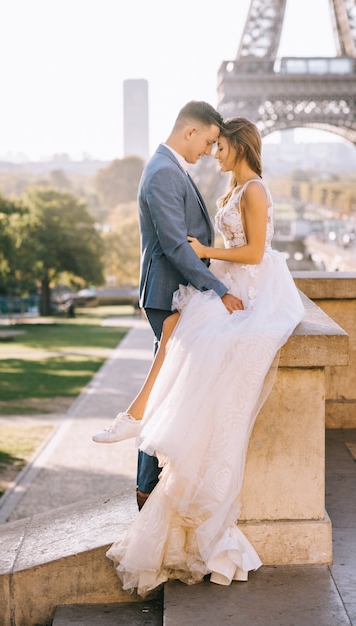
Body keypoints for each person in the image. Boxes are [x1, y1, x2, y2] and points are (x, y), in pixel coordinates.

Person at [93, 117, 305, 596]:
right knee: (176, 330)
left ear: (237, 143)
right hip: (231, 283)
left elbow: (253, 251)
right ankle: (139, 417)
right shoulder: (234, 185)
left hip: (249, 288)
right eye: (209, 143)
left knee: (183, 335)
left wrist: (205, 251)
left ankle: (138, 419)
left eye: (219, 145)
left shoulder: (253, 189)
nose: (213, 152)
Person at [92, 101, 244, 511]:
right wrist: (217, 289)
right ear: (190, 132)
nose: (211, 151)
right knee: (163, 391)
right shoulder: (162, 171)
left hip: (176, 292)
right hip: (169, 293)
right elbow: (176, 245)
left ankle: (152, 484)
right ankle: (147, 488)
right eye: (210, 141)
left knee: (167, 386)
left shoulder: (169, 167)